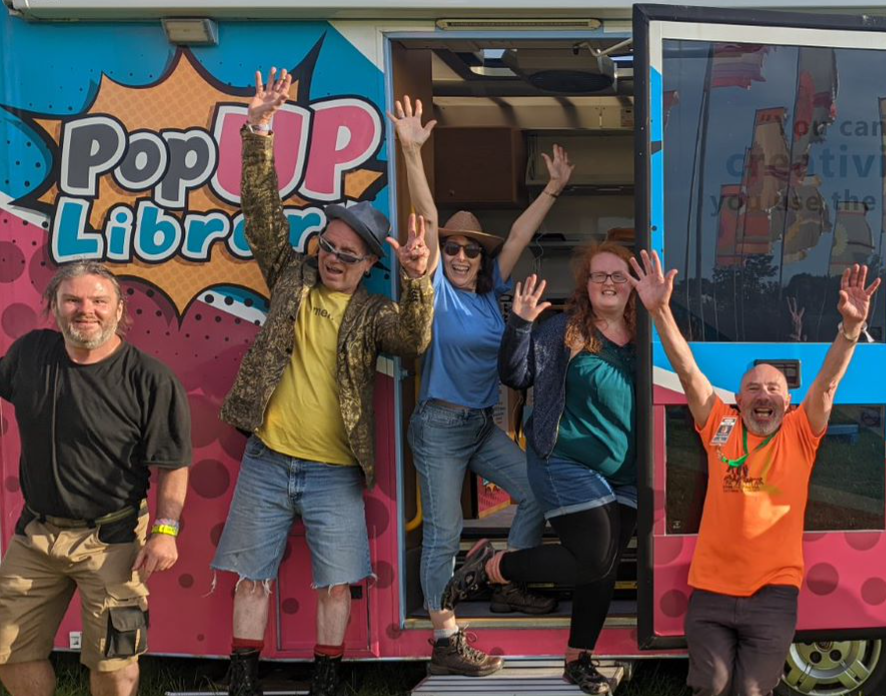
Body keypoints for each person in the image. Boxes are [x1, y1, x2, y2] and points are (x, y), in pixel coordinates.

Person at [213, 70, 434, 696]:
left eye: (348, 255)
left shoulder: (374, 312)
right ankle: (242, 677)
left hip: (336, 467)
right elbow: (261, 212)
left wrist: (418, 279)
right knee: (250, 576)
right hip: (267, 456)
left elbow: (415, 341)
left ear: (369, 266)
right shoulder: (290, 276)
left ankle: (328, 678)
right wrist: (259, 129)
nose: (332, 259)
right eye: (328, 247)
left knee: (336, 580)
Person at [629, 250, 879, 696]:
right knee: (712, 686)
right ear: (738, 401)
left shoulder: (801, 433)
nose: (763, 395)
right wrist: (660, 310)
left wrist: (850, 329)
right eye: (753, 388)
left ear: (788, 403)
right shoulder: (719, 426)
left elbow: (826, 384)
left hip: (773, 595)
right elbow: (687, 371)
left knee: (752, 690)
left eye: (774, 389)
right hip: (710, 592)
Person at [389, 95, 574, 676]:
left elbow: (516, 234)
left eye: (472, 248)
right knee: (442, 532)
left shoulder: (496, 300)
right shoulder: (438, 289)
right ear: (442, 253)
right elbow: (422, 207)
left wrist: (552, 190)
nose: (463, 254)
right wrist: (411, 151)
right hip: (439, 425)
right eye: (454, 247)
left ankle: (509, 578)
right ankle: (445, 638)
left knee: (538, 488)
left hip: (479, 424)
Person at [443, 242, 639, 695]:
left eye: (618, 276)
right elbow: (516, 375)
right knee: (592, 555)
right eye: (599, 276)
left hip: (626, 473)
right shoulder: (565, 331)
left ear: (632, 285)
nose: (609, 284)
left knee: (603, 566)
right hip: (564, 460)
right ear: (585, 286)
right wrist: (522, 324)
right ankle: (498, 566)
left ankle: (579, 661)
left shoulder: (645, 333)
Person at [0, 261, 191, 696]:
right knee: (9, 651)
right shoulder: (30, 355)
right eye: (73, 300)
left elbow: (174, 463)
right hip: (36, 536)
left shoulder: (150, 379)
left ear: (120, 310)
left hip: (114, 539)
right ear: (55, 307)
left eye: (99, 301)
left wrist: (165, 531)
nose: (86, 310)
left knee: (114, 664)